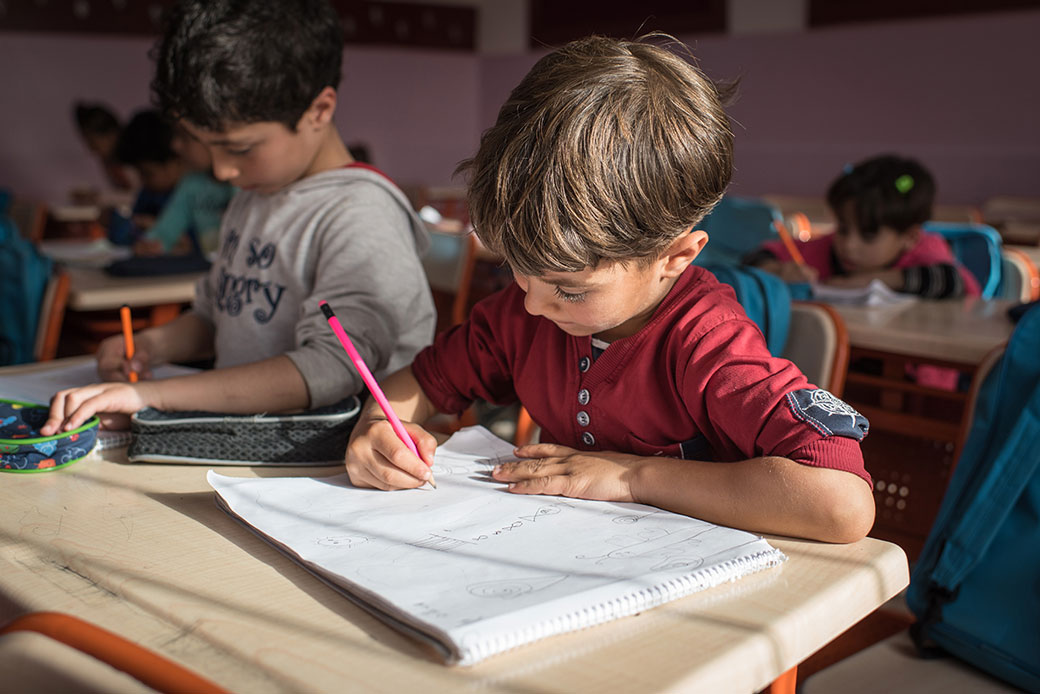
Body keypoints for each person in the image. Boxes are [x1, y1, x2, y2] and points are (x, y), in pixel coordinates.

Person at [343, 35, 876, 544]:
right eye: (516, 270)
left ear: (675, 258)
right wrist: (377, 426)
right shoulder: (524, 313)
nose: (531, 303)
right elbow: (422, 383)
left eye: (569, 290)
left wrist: (631, 478)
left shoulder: (709, 345)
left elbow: (842, 503)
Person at [43, 0, 436, 435]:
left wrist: (150, 397)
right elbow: (218, 318)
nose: (221, 170)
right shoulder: (253, 194)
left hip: (337, 464)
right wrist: (151, 346)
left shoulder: (361, 213)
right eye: (204, 144)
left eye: (240, 148)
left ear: (319, 111)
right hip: (246, 444)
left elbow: (331, 370)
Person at [745, 155, 980, 298]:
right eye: (843, 229)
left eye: (868, 235)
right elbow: (755, 256)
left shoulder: (924, 249)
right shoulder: (825, 248)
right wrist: (776, 270)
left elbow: (954, 281)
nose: (848, 245)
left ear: (909, 236)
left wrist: (870, 281)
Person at [134, 122, 236, 257]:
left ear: (214, 137)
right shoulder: (192, 183)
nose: (175, 145)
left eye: (185, 137)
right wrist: (150, 244)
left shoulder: (242, 184)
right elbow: (166, 231)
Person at [107, 109, 185, 246]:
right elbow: (125, 235)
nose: (143, 180)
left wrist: (162, 229)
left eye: (148, 173)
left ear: (175, 161)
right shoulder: (148, 194)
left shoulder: (191, 195)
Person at [72, 101, 135, 195]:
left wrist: (100, 198)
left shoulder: (134, 157)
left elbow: (137, 195)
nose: (91, 150)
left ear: (112, 135)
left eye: (93, 143)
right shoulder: (108, 161)